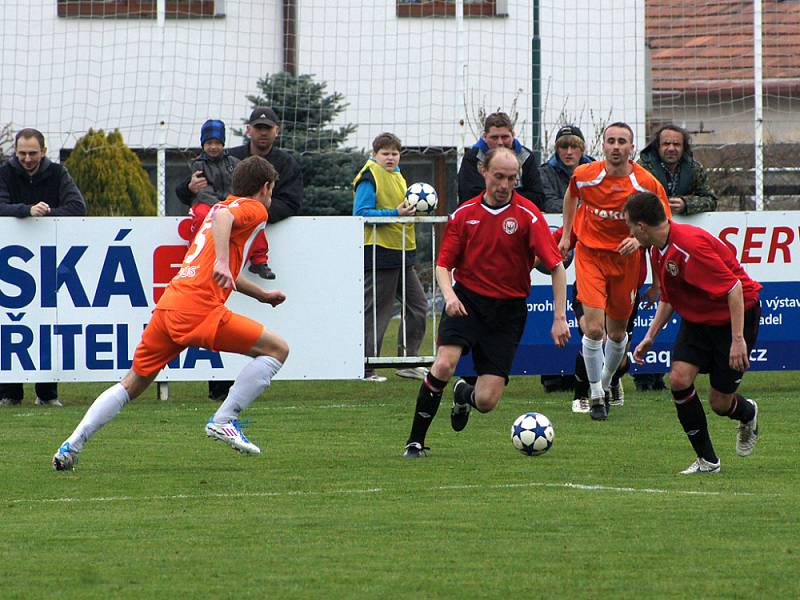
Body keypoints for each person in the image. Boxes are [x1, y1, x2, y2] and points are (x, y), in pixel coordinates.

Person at [52, 156, 289, 470]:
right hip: (198, 308)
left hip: (170, 306)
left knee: (132, 383)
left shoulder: (222, 210)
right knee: (277, 350)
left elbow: (222, 230)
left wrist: (260, 294)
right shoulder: (253, 208)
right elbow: (224, 219)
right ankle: (225, 418)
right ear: (266, 187)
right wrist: (220, 261)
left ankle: (71, 445)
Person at [403, 147, 570, 458]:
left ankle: (463, 394)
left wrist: (559, 317)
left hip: (508, 312)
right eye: (499, 176)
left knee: (487, 401)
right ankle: (414, 442)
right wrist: (450, 296)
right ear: (483, 172)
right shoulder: (464, 215)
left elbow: (557, 267)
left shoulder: (528, 215)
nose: (505, 184)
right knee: (443, 364)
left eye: (511, 178)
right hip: (467, 300)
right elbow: (443, 265)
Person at [625, 192, 761, 474]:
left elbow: (733, 289)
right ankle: (708, 461)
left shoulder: (689, 247)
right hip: (699, 319)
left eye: (628, 226)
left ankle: (748, 413)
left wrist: (738, 340)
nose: (628, 232)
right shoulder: (655, 249)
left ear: (641, 227)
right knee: (678, 379)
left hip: (735, 315)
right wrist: (650, 335)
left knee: (719, 403)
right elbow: (669, 295)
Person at [176, 107, 303, 402]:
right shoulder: (229, 157)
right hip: (215, 266)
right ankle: (223, 403)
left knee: (136, 379)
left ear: (276, 131)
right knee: (273, 345)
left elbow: (292, 202)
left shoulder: (286, 164)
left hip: (207, 277)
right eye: (257, 126)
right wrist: (187, 187)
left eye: (267, 127)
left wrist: (256, 219)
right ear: (248, 129)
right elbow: (218, 211)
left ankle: (225, 404)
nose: (262, 132)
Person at [559, 122, 670, 421]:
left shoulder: (645, 183)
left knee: (618, 335)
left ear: (632, 148)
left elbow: (663, 225)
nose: (616, 146)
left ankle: (606, 384)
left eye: (623, 141)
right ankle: (595, 392)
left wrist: (638, 239)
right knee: (594, 329)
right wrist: (567, 234)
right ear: (603, 146)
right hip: (590, 256)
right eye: (611, 141)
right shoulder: (585, 176)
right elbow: (571, 196)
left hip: (626, 263)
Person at [0, 128, 87, 407]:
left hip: (49, 263)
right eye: (22, 153)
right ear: (15, 151)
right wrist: (26, 210)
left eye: (33, 153)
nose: (27, 158)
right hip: (10, 264)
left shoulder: (58, 173)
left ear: (44, 151)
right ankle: (9, 393)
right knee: (10, 323)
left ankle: (47, 393)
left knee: (48, 323)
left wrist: (47, 213)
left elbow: (77, 207)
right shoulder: (5, 172)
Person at [634, 123, 719, 392]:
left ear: (683, 148)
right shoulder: (643, 166)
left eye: (676, 144)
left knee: (675, 299)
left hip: (678, 244)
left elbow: (711, 199)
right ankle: (639, 371)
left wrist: (686, 204)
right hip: (644, 243)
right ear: (657, 147)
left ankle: (674, 368)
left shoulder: (693, 168)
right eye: (666, 144)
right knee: (638, 306)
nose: (671, 148)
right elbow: (633, 199)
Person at [353, 132, 428, 382]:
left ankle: (407, 361)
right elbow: (361, 213)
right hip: (379, 251)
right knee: (377, 312)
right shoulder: (369, 175)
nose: (390, 157)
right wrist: (394, 213)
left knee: (418, 306)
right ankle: (364, 368)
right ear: (374, 154)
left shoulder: (397, 175)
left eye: (394, 153)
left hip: (401, 253)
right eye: (385, 153)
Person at [538, 124, 595, 394]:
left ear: (582, 149)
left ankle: (599, 380)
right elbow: (548, 202)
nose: (569, 151)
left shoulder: (596, 170)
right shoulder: (544, 172)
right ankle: (552, 375)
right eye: (564, 146)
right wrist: (580, 210)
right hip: (558, 238)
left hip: (589, 246)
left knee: (599, 324)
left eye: (574, 146)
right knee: (551, 307)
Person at [457, 111, 545, 208]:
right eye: (494, 137)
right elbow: (468, 197)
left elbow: (538, 198)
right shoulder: (473, 158)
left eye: (505, 137)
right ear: (485, 137)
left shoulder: (526, 157)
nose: (500, 142)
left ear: (513, 135)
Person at [186, 119, 240, 236]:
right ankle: (197, 243)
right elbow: (202, 191)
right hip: (206, 203)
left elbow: (238, 185)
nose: (213, 147)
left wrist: (229, 202)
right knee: (202, 216)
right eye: (209, 143)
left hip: (230, 202)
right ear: (203, 145)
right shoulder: (198, 164)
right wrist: (218, 205)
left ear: (223, 144)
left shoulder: (233, 163)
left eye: (217, 143)